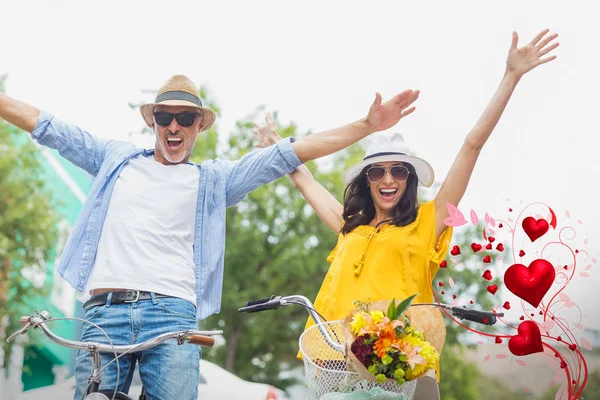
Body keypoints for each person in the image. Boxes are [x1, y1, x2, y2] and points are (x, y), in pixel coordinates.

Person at [0, 74, 418, 399]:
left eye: (186, 117)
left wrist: (366, 125)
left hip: (172, 319)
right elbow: (48, 126)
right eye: (165, 117)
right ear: (153, 122)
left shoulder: (214, 180)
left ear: (199, 124)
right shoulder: (115, 159)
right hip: (104, 312)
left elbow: (292, 152)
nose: (175, 125)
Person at [253, 29, 559, 399]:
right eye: (377, 171)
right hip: (335, 356)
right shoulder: (350, 227)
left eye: (399, 171)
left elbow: (471, 146)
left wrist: (510, 76)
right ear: (366, 180)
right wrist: (275, 147)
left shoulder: (428, 222)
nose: (388, 179)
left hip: (401, 362)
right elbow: (306, 181)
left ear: (409, 179)